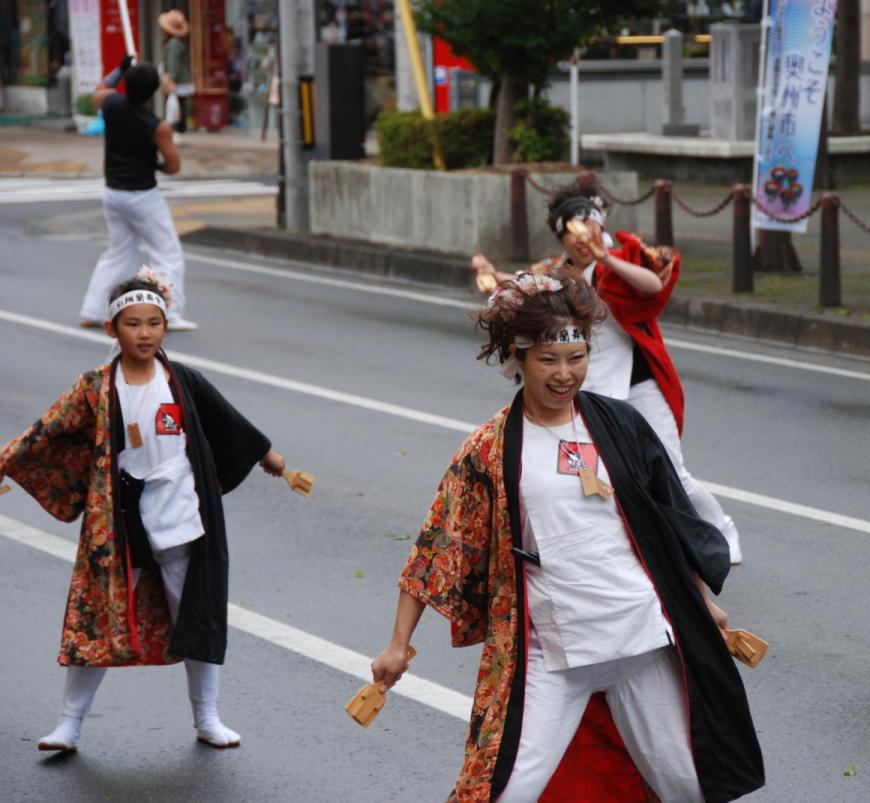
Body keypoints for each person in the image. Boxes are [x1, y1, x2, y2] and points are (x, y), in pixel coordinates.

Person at [370, 270, 764, 801]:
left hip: (639, 637)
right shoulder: (489, 449)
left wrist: (701, 602)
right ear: (518, 358)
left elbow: (670, 523)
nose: (564, 374)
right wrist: (398, 645)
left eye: (576, 359)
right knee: (502, 792)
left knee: (690, 785)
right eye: (548, 361)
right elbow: (439, 546)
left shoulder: (620, 424)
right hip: (554, 653)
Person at [0, 271, 286, 750]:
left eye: (154, 322)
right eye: (133, 323)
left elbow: (226, 418)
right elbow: (45, 430)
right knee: (100, 619)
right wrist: (5, 463)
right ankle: (69, 724)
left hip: (179, 517)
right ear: (113, 329)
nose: (145, 332)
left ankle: (207, 718)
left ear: (165, 327)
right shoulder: (95, 387)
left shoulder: (182, 382)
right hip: (117, 521)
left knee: (196, 616)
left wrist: (267, 455)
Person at [471, 184, 744, 564]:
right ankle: (615, 543)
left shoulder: (627, 255)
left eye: (589, 226)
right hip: (594, 387)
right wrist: (488, 272)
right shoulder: (558, 275)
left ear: (601, 225)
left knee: (671, 473)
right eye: (573, 232)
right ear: (562, 237)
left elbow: (653, 284)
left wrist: (608, 259)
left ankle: (720, 531)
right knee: (593, 470)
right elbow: (520, 281)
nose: (583, 239)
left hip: (641, 384)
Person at [78, 59, 198, 331]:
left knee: (119, 252)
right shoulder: (156, 126)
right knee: (167, 253)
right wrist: (155, 162)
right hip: (142, 195)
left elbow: (99, 89)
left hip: (112, 192)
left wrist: (119, 68)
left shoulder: (111, 105)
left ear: (127, 84)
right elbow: (174, 166)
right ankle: (170, 312)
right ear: (153, 91)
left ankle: (93, 310)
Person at [159, 10, 192, 133]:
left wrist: (171, 79)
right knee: (179, 108)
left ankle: (179, 131)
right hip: (181, 81)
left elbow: (174, 63)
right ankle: (180, 130)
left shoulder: (173, 44)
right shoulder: (177, 42)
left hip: (178, 82)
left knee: (178, 109)